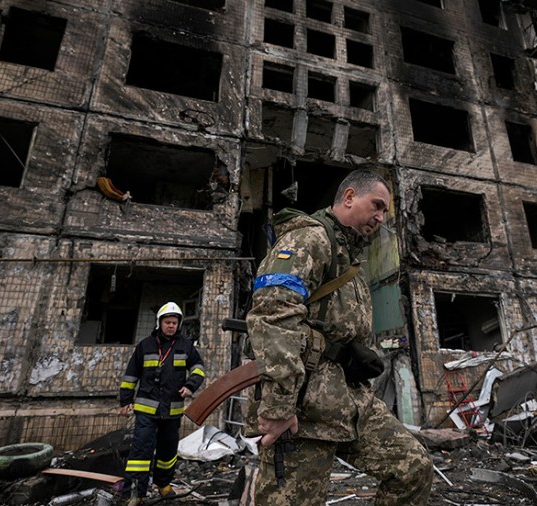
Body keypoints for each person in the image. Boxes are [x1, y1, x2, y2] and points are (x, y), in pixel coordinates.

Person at [246, 169, 433, 505]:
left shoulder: (350, 259)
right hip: (304, 408)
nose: (380, 217)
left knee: (413, 469)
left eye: (384, 212)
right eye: (376, 205)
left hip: (349, 402)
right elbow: (273, 316)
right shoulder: (310, 239)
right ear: (349, 197)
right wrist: (278, 406)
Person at [119, 302, 205, 506]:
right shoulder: (145, 346)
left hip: (172, 411)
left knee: (168, 452)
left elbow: (198, 369)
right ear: (159, 323)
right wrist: (125, 400)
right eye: (167, 322)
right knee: (140, 452)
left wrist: (191, 385)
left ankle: (163, 485)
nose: (171, 326)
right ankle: (134, 493)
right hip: (146, 411)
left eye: (174, 322)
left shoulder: (185, 345)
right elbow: (131, 375)